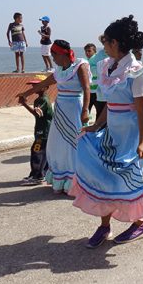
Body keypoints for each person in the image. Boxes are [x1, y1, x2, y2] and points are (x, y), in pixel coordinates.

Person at [69, 15, 143, 248]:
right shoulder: (109, 67)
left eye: (107, 41)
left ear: (117, 43)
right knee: (104, 176)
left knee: (127, 180)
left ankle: (140, 224)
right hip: (113, 129)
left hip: (131, 133)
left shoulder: (136, 72)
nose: (104, 45)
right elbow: (110, 105)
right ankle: (104, 226)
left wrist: (142, 142)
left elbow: (142, 111)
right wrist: (97, 125)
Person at [18, 40, 91, 194]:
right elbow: (42, 84)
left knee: (73, 145)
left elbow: (87, 88)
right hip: (61, 110)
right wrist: (25, 94)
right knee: (57, 145)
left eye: (54, 55)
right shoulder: (59, 71)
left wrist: (85, 110)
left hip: (74, 109)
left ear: (61, 54)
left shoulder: (80, 66)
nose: (52, 58)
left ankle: (75, 181)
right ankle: (62, 178)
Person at [19, 76, 54, 186]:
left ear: (45, 87)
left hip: (43, 132)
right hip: (44, 130)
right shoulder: (42, 99)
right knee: (45, 152)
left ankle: (37, 176)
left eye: (37, 85)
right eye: (33, 85)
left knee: (37, 151)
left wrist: (24, 104)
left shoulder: (42, 100)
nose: (34, 87)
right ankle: (43, 173)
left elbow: (37, 114)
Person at [87, 36, 108, 122]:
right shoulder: (99, 55)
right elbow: (90, 67)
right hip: (99, 91)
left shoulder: (117, 53)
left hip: (111, 90)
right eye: (102, 41)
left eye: (105, 40)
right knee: (99, 112)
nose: (104, 42)